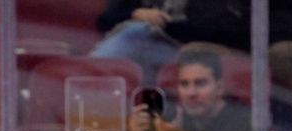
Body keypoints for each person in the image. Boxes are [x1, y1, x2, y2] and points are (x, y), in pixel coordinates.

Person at [91, 0, 250, 85]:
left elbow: (214, 30)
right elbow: (104, 21)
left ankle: (89, 80)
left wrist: (163, 24)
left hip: (192, 46)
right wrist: (135, 13)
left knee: (136, 36)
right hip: (143, 42)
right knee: (135, 34)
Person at [128, 48, 251, 131]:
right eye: (184, 84)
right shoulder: (168, 120)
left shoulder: (243, 123)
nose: (191, 93)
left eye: (200, 83)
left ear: (220, 87)